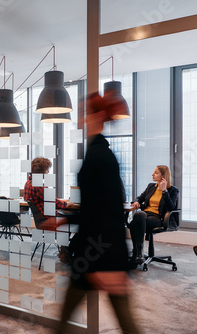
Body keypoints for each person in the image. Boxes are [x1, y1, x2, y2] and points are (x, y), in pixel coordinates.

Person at [56, 92, 139, 334]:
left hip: (98, 252)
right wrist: (62, 219)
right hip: (93, 251)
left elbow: (108, 212)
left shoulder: (100, 156)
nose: (81, 117)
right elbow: (94, 208)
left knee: (124, 320)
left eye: (85, 112)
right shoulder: (98, 151)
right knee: (66, 317)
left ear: (98, 116)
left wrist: (111, 264)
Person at [129, 165, 179, 264]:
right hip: (145, 215)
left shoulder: (173, 190)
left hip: (158, 218)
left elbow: (171, 208)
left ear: (163, 176)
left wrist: (164, 191)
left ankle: (137, 253)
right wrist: (136, 202)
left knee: (136, 220)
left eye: (156, 172)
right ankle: (138, 253)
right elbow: (140, 197)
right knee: (138, 218)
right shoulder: (151, 186)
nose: (153, 174)